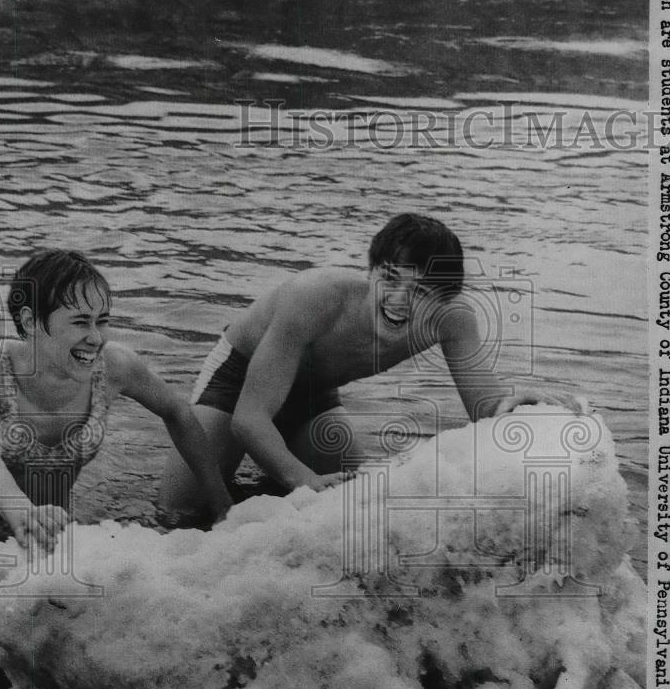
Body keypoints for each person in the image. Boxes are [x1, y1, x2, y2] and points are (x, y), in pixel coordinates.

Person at [159, 213, 580, 516]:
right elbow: (249, 419)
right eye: (390, 278)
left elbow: (483, 410)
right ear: (370, 271)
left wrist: (513, 405)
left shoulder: (454, 320)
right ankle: (265, 485)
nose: (398, 301)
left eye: (419, 291)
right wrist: (301, 479)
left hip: (314, 394)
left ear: (445, 299)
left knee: (354, 504)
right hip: (238, 381)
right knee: (179, 515)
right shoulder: (314, 296)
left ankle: (266, 488)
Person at [0, 249, 230, 553]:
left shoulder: (113, 366)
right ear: (30, 321)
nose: (96, 338)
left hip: (51, 537)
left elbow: (178, 413)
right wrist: (24, 514)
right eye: (80, 322)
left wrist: (222, 507)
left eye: (102, 320)